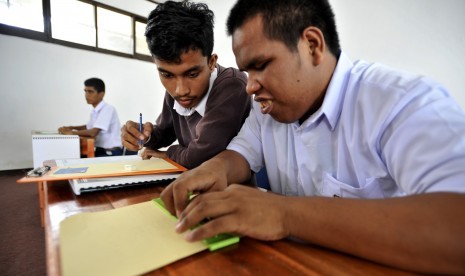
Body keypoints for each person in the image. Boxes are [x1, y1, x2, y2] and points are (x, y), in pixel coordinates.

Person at [159, 0, 465, 274]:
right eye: (246, 72)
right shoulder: (266, 108)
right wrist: (209, 172)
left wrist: (284, 214)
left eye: (261, 66)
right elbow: (239, 154)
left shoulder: (402, 102)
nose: (250, 86)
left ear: (312, 45)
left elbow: (455, 228)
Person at [121, 1, 251, 169]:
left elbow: (200, 156)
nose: (180, 90)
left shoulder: (232, 85)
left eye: (192, 74)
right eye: (167, 74)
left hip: (230, 190)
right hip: (189, 184)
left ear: (211, 62)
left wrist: (167, 154)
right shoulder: (176, 91)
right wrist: (144, 135)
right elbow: (165, 132)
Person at [58, 78, 124, 157]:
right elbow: (88, 127)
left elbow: (93, 132)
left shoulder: (108, 109)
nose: (87, 95)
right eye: (85, 91)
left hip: (111, 153)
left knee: (78, 158)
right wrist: (70, 127)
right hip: (100, 150)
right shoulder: (95, 110)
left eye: (90, 91)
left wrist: (72, 133)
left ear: (101, 94)